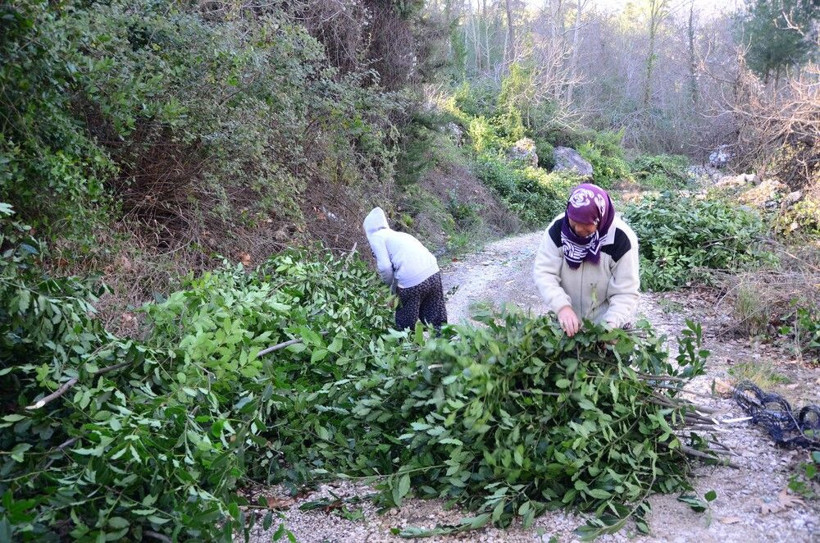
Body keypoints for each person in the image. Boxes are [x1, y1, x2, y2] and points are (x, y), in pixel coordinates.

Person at [533, 183, 639, 337]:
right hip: (567, 322)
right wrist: (562, 307)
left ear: (600, 220)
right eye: (574, 223)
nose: (578, 230)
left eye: (586, 227)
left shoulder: (621, 239)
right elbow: (544, 273)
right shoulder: (557, 229)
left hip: (605, 321)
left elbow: (626, 291)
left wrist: (611, 325)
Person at [363, 207, 447, 330]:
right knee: (436, 320)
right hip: (433, 273)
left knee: (405, 324)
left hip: (412, 282)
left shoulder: (376, 237)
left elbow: (385, 267)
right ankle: (444, 339)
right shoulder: (399, 235)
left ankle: (406, 340)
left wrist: (389, 291)